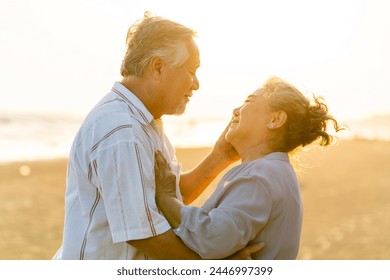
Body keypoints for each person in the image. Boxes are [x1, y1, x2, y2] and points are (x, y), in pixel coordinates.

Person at [53, 13, 261, 260]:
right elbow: (144, 235)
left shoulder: (144, 121)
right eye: (191, 71)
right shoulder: (122, 130)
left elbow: (164, 198)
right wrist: (217, 266)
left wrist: (220, 157)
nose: (196, 85)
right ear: (158, 67)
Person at [154, 76, 345, 259]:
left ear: (275, 120)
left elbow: (212, 237)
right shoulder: (276, 170)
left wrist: (167, 197)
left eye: (248, 101)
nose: (236, 110)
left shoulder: (260, 176)